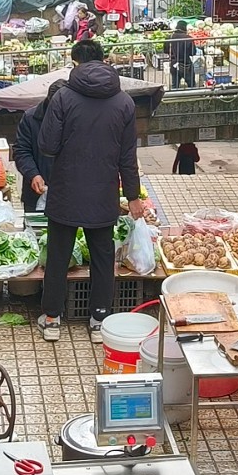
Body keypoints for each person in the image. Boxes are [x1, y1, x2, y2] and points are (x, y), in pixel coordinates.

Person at [36, 38, 149, 343]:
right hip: (103, 193)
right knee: (102, 257)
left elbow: (46, 146)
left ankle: (52, 319)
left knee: (59, 254)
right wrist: (134, 196)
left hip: (66, 189)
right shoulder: (124, 102)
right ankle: (100, 321)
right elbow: (128, 157)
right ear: (104, 60)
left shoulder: (64, 98)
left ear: (76, 63)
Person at [12, 79, 64, 214]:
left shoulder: (74, 118)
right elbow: (21, 150)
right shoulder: (31, 118)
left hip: (68, 194)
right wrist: (33, 174)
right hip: (35, 192)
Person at [166, 21, 198, 89]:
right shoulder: (188, 38)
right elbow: (193, 52)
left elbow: (165, 50)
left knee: (175, 85)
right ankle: (193, 98)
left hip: (174, 63)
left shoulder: (169, 37)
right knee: (191, 84)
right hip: (186, 64)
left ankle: (174, 97)